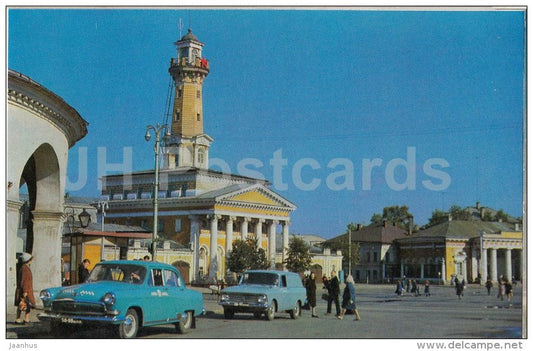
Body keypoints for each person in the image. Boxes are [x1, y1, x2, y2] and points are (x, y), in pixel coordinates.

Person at [15, 253, 35, 324]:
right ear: (28, 260)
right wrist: (25, 291)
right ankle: (22, 319)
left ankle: (22, 319)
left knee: (24, 304)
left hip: (25, 289)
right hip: (26, 289)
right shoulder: (25, 269)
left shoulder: (24, 267)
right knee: (25, 304)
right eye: (31, 259)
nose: (32, 260)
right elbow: (25, 280)